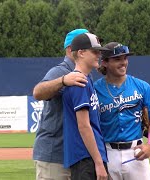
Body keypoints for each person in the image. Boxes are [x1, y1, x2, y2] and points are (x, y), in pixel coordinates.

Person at [94, 42, 150, 180]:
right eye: (117, 59)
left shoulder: (142, 86)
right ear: (105, 63)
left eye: (125, 58)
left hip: (136, 153)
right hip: (108, 153)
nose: (123, 63)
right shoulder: (95, 89)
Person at [32, 28, 89, 180]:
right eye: (86, 46)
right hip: (55, 155)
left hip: (73, 155)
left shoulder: (86, 74)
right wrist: (63, 80)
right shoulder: (60, 71)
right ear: (71, 49)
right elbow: (38, 92)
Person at [62, 33, 110, 180]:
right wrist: (98, 162)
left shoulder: (85, 80)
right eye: (95, 51)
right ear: (81, 53)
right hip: (85, 157)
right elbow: (84, 126)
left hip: (89, 156)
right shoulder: (79, 82)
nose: (99, 55)